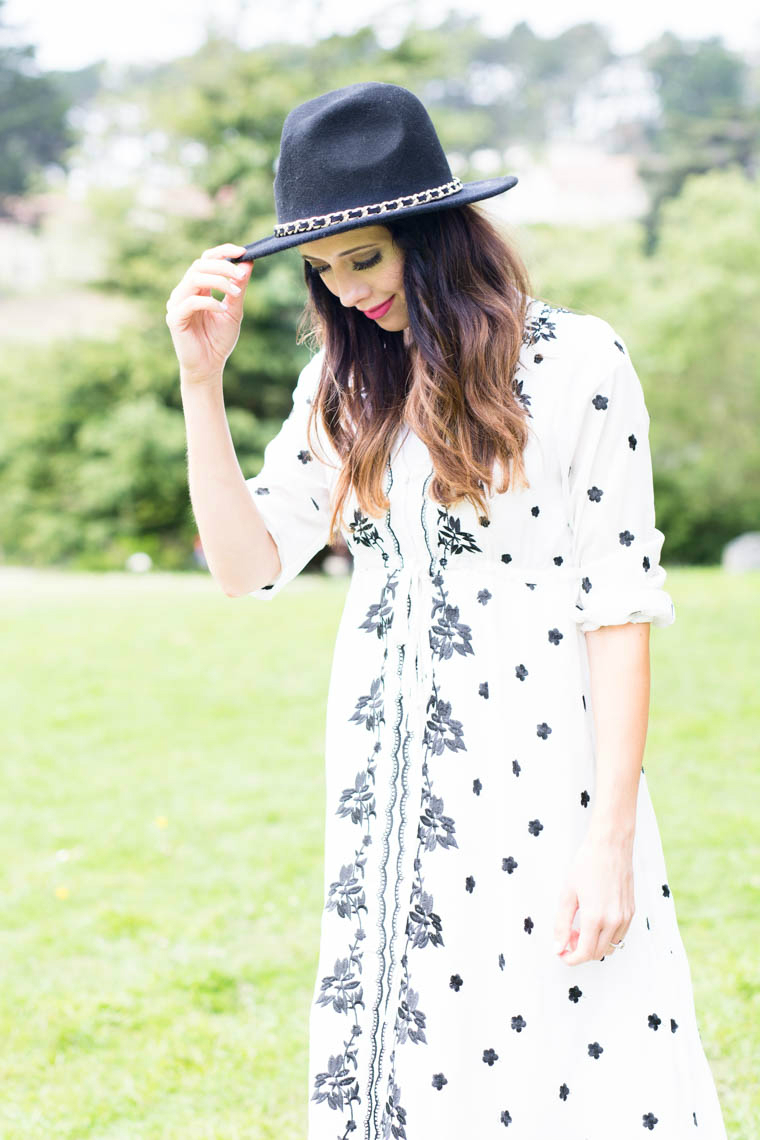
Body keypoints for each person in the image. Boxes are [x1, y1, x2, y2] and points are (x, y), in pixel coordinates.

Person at [166, 82, 727, 1139]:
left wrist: (610, 838)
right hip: (386, 795)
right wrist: (201, 383)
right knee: (413, 1067)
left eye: (364, 259)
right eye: (323, 272)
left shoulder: (577, 367)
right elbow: (245, 567)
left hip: (542, 784)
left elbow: (617, 609)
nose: (346, 292)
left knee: (564, 1057)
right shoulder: (346, 389)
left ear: (429, 234)